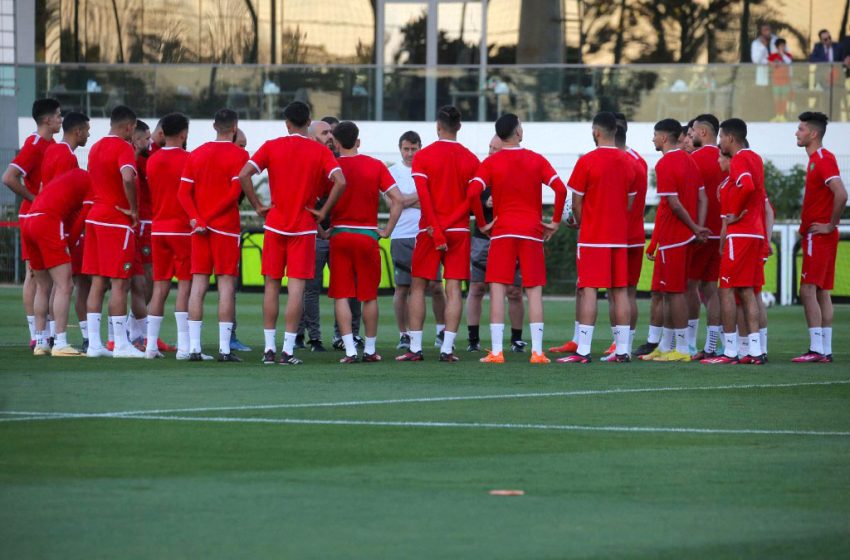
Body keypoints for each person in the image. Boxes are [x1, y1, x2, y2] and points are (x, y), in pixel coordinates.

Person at [239, 101, 346, 365]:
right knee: (296, 290)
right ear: (309, 121)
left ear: (287, 123)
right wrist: (323, 212)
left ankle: (268, 350)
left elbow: (244, 175)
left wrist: (258, 206)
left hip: (275, 224)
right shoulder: (319, 151)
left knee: (271, 288)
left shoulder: (271, 146)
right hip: (303, 228)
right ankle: (287, 350)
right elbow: (341, 181)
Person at [470, 114, 566, 364]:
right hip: (531, 231)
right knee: (533, 290)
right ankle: (537, 352)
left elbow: (472, 192)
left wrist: (483, 223)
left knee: (498, 288)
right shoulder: (535, 159)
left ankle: (496, 352)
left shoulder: (492, 162)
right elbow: (560, 189)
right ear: (518, 133)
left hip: (502, 231)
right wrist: (555, 221)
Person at [396, 105, 479, 363]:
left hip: (429, 230)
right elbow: (472, 199)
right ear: (459, 127)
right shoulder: (471, 159)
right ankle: (447, 349)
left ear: (437, 127)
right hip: (458, 230)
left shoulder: (424, 156)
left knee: (417, 287)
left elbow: (424, 195)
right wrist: (449, 225)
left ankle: (416, 348)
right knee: (453, 288)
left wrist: (435, 228)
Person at [558, 112, 637, 364]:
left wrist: (582, 222)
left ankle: (583, 351)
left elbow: (576, 202)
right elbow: (630, 202)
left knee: (589, 288)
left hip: (593, 236)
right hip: (618, 236)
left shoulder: (587, 161)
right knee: (620, 290)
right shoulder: (629, 162)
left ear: (596, 132)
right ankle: (622, 350)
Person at [324, 121, 403, 362]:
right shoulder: (375, 165)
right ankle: (369, 349)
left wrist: (321, 229)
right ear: (358, 141)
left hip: (339, 236)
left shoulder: (331, 167)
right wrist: (387, 229)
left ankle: (349, 349)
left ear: (336, 143)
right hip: (368, 236)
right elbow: (397, 199)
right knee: (369, 296)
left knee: (341, 295)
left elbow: (313, 202)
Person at [179, 108, 249, 362]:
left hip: (199, 228)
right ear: (235, 127)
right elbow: (233, 195)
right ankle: (224, 349)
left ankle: (195, 348)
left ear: (214, 126)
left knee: (198, 286)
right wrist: (208, 218)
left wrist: (197, 218)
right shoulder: (239, 155)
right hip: (225, 228)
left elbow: (183, 193)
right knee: (226, 287)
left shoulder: (196, 153)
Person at [641, 119, 709, 362]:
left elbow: (673, 203)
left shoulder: (666, 163)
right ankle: (665, 344)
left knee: (675, 292)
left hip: (675, 237)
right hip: (683, 237)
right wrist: (698, 229)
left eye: (655, 135)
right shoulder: (690, 160)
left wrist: (693, 227)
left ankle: (681, 349)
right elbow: (702, 198)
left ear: (664, 138)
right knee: (667, 292)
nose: (653, 140)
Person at [701, 118, 767, 365]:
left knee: (726, 290)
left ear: (729, 138)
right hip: (755, 233)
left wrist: (736, 213)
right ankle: (755, 351)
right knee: (748, 292)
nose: (719, 143)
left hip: (740, 234)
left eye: (720, 138)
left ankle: (729, 352)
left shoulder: (740, 159)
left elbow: (747, 186)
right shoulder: (756, 158)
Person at [82, 105, 142, 358]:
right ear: (129, 127)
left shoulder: (95, 147)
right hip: (116, 220)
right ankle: (120, 343)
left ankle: (94, 344)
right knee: (120, 282)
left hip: (94, 218)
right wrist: (133, 209)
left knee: (97, 282)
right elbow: (128, 177)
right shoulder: (123, 147)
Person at [2, 98, 61, 349]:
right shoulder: (35, 144)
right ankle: (35, 334)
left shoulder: (51, 144)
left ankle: (43, 331)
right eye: (58, 115)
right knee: (34, 275)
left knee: (46, 275)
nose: (61, 119)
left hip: (44, 215)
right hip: (33, 216)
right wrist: (36, 199)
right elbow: (9, 177)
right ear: (47, 119)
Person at [792, 111, 847, 363]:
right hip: (819, 234)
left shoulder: (822, 159)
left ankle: (816, 349)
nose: (797, 133)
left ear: (813, 133)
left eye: (801, 129)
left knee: (807, 289)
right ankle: (824, 349)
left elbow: (841, 194)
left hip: (820, 234)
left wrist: (829, 224)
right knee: (822, 290)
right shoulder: (817, 159)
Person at [465, 134, 526, 354]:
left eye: (495, 148)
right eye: (489, 147)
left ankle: (517, 339)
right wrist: (484, 202)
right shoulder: (481, 171)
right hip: (483, 239)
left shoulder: (517, 171)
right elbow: (468, 204)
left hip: (510, 237)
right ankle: (473, 339)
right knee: (477, 287)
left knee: (514, 291)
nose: (490, 152)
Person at [388, 131, 447, 350]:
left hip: (428, 233)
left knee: (435, 285)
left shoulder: (428, 168)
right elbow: (392, 203)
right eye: (406, 148)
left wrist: (405, 199)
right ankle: (404, 334)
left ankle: (441, 330)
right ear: (400, 148)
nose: (410, 153)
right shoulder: (393, 172)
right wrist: (419, 197)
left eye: (414, 148)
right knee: (403, 287)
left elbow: (431, 200)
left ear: (420, 147)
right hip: (402, 234)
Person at [23, 168, 92, 357]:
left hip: (30, 220)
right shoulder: (92, 182)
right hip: (48, 222)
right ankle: (60, 342)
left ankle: (41, 341)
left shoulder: (73, 176)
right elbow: (82, 220)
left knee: (42, 287)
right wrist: (66, 247)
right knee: (65, 285)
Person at [40, 112, 91, 349]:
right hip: (56, 224)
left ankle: (45, 338)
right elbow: (65, 196)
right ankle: (60, 340)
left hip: (40, 219)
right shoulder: (66, 158)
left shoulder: (52, 150)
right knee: (65, 284)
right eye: (87, 130)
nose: (89, 134)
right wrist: (71, 233)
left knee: (47, 285)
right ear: (78, 132)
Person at [144, 112, 193, 359]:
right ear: (183, 133)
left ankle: (151, 345)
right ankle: (184, 346)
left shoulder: (152, 160)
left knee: (159, 287)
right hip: (181, 229)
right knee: (185, 285)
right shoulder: (189, 159)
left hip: (158, 228)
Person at [687, 114, 727, 361]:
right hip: (722, 233)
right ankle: (715, 344)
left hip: (699, 232)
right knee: (712, 290)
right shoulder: (728, 159)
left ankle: (689, 344)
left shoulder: (694, 159)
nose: (690, 137)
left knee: (689, 286)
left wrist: (694, 227)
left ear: (703, 132)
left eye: (692, 132)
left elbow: (689, 197)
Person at [124, 120, 153, 350]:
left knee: (139, 280)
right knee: (137, 280)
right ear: (135, 139)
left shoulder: (142, 158)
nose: (149, 142)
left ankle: (134, 332)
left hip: (134, 225)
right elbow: (128, 180)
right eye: (146, 138)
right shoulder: (131, 161)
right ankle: (132, 333)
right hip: (134, 225)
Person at [768, 38, 793, 121]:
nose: (783, 47)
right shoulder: (772, 56)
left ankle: (782, 115)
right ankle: (777, 115)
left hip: (785, 81)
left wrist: (782, 55)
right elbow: (770, 65)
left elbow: (789, 62)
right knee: (776, 98)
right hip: (776, 81)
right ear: (777, 47)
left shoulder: (788, 55)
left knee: (784, 98)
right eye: (781, 46)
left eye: (783, 46)